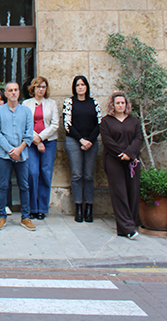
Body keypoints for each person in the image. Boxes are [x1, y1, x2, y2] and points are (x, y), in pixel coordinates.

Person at [0, 81, 36, 231]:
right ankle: (2, 216)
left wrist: (19, 150)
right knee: (3, 185)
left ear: (19, 92)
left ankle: (25, 217)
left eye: (16, 90)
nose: (13, 93)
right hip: (4, 155)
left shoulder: (26, 111)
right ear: (5, 94)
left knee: (24, 186)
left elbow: (29, 134)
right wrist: (12, 151)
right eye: (10, 90)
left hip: (22, 156)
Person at [100, 90, 142, 239]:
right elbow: (107, 141)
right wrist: (122, 154)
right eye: (117, 103)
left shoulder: (133, 121)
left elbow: (138, 138)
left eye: (122, 103)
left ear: (126, 105)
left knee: (133, 192)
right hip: (114, 161)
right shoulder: (106, 121)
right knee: (120, 194)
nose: (120, 105)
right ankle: (126, 228)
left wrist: (130, 154)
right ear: (112, 105)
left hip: (132, 162)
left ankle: (132, 222)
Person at [63, 75, 102, 223]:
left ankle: (89, 207)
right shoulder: (69, 102)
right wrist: (81, 140)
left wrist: (89, 141)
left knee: (89, 176)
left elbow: (99, 123)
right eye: (78, 85)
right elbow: (67, 124)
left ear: (87, 87)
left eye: (83, 84)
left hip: (91, 142)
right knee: (77, 175)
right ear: (74, 87)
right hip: (74, 141)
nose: (80, 87)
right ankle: (78, 207)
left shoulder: (94, 102)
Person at [22, 76, 58, 220]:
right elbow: (24, 124)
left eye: (43, 87)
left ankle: (42, 208)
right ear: (33, 88)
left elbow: (55, 124)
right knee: (32, 173)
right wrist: (36, 140)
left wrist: (41, 138)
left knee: (45, 174)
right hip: (31, 143)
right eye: (38, 87)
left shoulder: (52, 104)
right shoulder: (26, 104)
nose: (41, 89)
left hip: (49, 142)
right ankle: (32, 208)